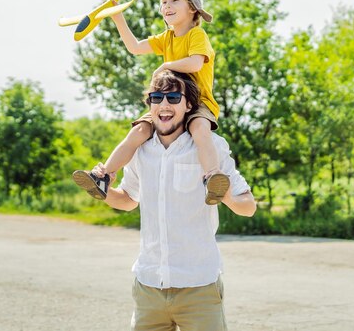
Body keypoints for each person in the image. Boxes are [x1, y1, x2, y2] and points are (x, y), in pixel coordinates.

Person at [89, 70, 256, 331]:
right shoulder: (140, 150)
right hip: (149, 286)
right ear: (150, 105)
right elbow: (129, 199)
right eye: (157, 97)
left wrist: (224, 196)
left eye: (173, 97)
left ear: (189, 105)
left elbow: (248, 205)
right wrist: (104, 191)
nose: (164, 104)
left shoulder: (210, 146)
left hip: (199, 286)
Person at [73, 0, 231, 205]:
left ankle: (212, 178)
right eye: (164, 1)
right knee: (138, 132)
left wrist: (166, 66)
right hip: (169, 101)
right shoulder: (166, 38)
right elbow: (135, 47)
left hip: (198, 102)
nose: (167, 6)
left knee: (200, 129)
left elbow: (196, 63)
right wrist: (118, 17)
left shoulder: (196, 35)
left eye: (174, 0)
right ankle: (104, 176)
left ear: (192, 7)